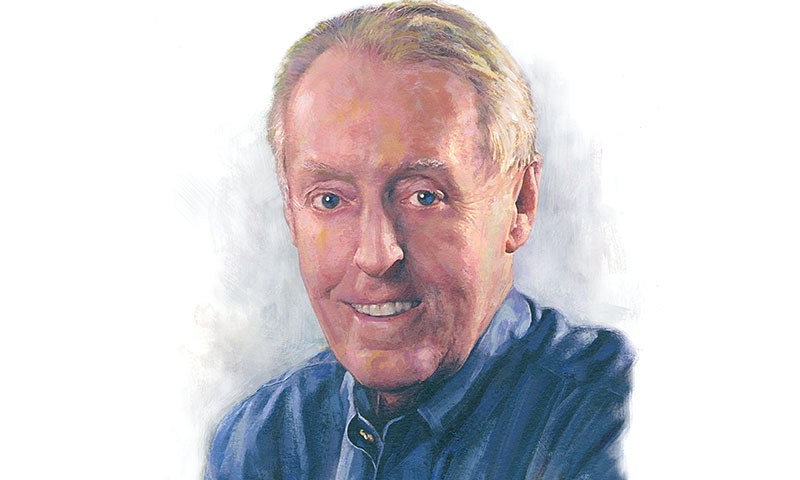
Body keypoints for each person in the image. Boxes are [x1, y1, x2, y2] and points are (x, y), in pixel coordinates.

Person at [206, 2, 633, 479]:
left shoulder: (621, 423)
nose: (376, 256)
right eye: (329, 200)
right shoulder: (260, 441)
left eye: (424, 196)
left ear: (520, 204)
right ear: (291, 213)